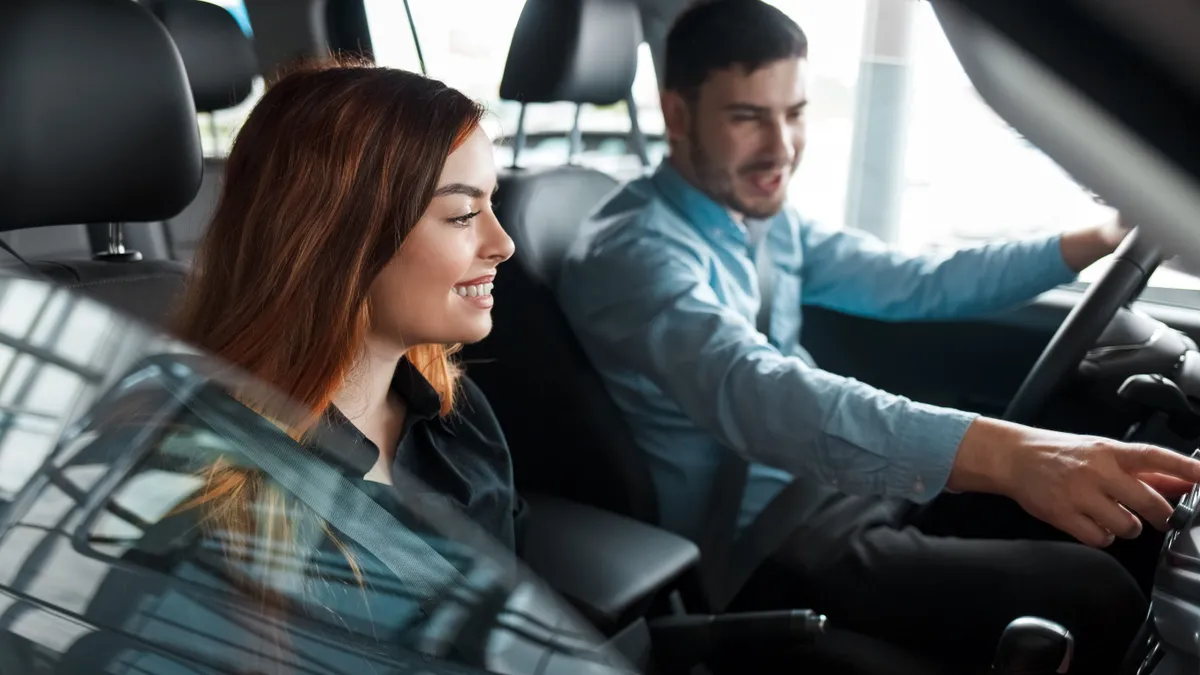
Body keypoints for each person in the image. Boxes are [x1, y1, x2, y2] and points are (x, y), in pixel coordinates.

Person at [556, 1, 1200, 673]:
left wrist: (1101, 236)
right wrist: (1011, 455)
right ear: (678, 114)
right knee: (1093, 593)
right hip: (765, 543)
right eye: (748, 117)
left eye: (794, 113)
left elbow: (916, 282)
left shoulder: (759, 219)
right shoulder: (631, 255)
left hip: (847, 489)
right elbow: (759, 390)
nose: (782, 147)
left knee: (1134, 534)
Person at [173, 60, 521, 553]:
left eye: (490, 204)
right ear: (340, 240)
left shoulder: (456, 415)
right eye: (462, 215)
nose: (504, 244)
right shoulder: (215, 482)